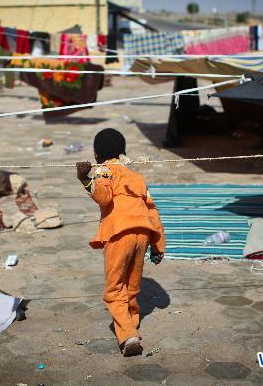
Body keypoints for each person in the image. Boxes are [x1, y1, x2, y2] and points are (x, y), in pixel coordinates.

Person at [76, 128, 166, 357]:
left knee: (114, 289)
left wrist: (85, 180)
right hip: (143, 234)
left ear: (96, 155)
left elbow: (104, 198)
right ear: (123, 152)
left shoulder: (103, 171)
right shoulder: (136, 177)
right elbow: (152, 211)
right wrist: (158, 245)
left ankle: (128, 335)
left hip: (119, 235)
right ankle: (131, 326)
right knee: (132, 286)